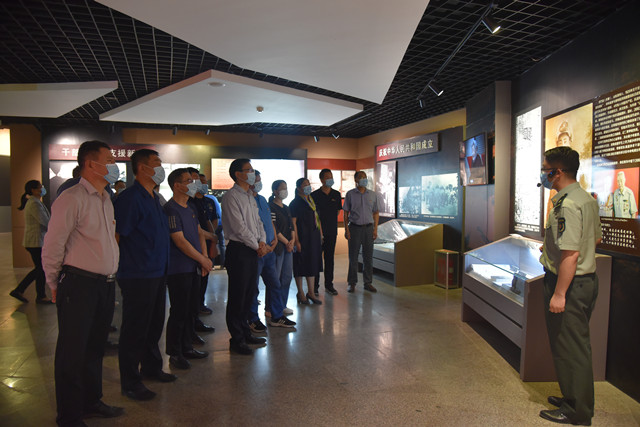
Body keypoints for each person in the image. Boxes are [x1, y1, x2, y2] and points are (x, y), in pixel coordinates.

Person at [42, 140, 124, 426]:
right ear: (91, 164)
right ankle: (69, 415)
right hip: (79, 284)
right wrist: (54, 282)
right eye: (109, 160)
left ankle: (91, 401)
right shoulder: (71, 198)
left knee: (95, 348)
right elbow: (53, 244)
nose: (114, 165)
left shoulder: (105, 199)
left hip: (105, 285)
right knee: (72, 352)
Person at [538, 146, 601, 426]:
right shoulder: (585, 198)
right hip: (585, 283)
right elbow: (594, 239)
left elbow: (571, 254)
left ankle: (577, 410)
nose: (544, 174)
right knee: (574, 345)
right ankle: (574, 398)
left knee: (570, 348)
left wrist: (559, 293)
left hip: (570, 285)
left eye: (546, 169)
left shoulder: (567, 204)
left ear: (558, 172)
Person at [114, 149, 175, 402]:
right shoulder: (130, 198)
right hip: (138, 272)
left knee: (154, 323)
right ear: (141, 168)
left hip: (158, 271)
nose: (161, 168)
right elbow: (118, 236)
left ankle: (151, 367)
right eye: (157, 164)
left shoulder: (154, 197)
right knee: (135, 328)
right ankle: (130, 381)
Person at [164, 169, 212, 369]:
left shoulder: (190, 207)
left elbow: (199, 232)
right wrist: (202, 259)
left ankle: (187, 346)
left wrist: (204, 258)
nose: (194, 184)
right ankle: (175, 353)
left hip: (194, 266)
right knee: (179, 311)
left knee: (191, 309)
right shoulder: (171, 209)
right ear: (177, 185)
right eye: (188, 181)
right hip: (179, 268)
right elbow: (180, 241)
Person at [221, 159, 268, 355]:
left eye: (252, 169)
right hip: (239, 250)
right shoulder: (230, 197)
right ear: (238, 174)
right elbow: (239, 228)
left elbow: (258, 223)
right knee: (238, 296)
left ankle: (246, 332)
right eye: (248, 170)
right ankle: (237, 339)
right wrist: (257, 245)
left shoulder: (250, 196)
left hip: (253, 250)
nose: (252, 173)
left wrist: (262, 241)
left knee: (249, 294)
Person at [248, 171, 296, 331]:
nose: (258, 183)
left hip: (270, 248)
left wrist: (274, 240)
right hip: (256, 249)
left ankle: (277, 315)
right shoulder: (245, 199)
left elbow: (268, 223)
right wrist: (262, 245)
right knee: (253, 286)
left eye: (259, 180)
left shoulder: (262, 200)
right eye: (256, 180)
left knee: (275, 283)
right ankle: (252, 319)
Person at [10, 180, 52, 304]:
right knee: (40, 268)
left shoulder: (35, 202)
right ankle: (23, 291)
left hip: (36, 241)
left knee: (40, 269)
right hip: (35, 242)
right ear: (33, 190)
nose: (42, 189)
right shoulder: (34, 203)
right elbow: (44, 221)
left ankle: (38, 295)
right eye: (40, 187)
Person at [343, 171, 379, 294]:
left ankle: (368, 282)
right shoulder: (350, 194)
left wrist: (375, 229)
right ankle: (352, 283)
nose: (364, 179)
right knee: (353, 257)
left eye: (365, 177)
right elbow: (345, 213)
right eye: (361, 177)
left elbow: (376, 212)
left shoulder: (372, 194)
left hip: (368, 228)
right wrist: (347, 230)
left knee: (368, 257)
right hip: (354, 228)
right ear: (356, 180)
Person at [290, 177, 323, 305]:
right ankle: (301, 293)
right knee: (300, 265)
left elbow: (317, 218)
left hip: (313, 238)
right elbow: (293, 223)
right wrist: (296, 241)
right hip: (302, 238)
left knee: (312, 264)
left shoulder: (311, 200)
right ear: (299, 188)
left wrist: (320, 234)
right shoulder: (295, 203)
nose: (308, 186)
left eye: (308, 184)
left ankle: (311, 292)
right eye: (305, 184)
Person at [311, 169, 342, 296]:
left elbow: (338, 211)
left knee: (330, 259)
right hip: (317, 233)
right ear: (322, 179)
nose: (330, 179)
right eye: (327, 177)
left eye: (331, 176)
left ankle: (329, 285)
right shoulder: (314, 195)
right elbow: (313, 215)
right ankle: (315, 287)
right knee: (316, 259)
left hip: (331, 231)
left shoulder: (336, 194)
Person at [269, 180, 296, 317]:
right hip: (278, 247)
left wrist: (292, 240)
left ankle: (282, 305)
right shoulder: (271, 207)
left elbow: (291, 226)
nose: (285, 191)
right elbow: (275, 228)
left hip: (288, 247)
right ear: (275, 191)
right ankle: (271, 307)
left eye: (286, 188)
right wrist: (286, 242)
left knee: (286, 277)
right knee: (276, 278)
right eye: (282, 188)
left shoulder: (286, 207)